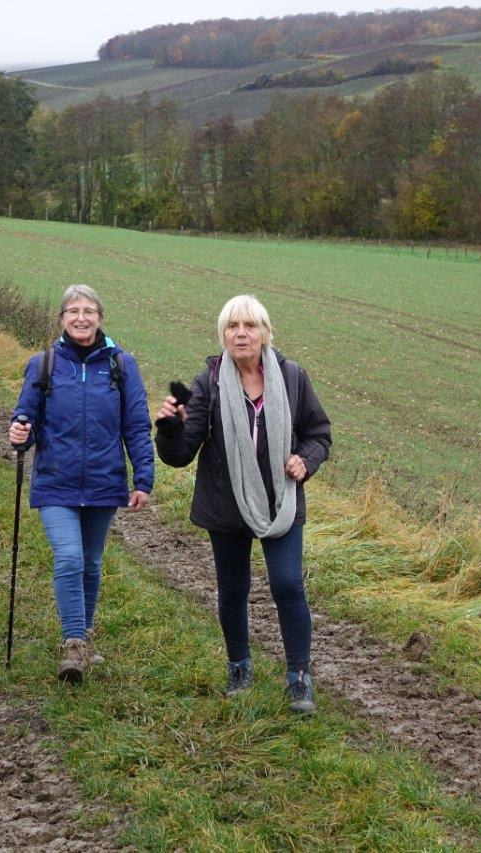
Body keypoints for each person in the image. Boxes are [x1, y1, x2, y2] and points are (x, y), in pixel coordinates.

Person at [155, 294, 331, 714]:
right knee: (233, 590)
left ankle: (299, 679)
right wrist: (168, 428)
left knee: (288, 584)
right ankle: (239, 666)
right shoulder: (209, 383)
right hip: (226, 505)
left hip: (280, 503)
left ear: (265, 332)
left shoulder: (291, 378)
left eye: (249, 326)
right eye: (232, 327)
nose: (241, 333)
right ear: (223, 335)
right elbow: (181, 454)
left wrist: (305, 460)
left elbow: (319, 434)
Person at [8, 285, 154, 683]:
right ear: (61, 319)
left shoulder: (123, 365)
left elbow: (137, 426)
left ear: (100, 318)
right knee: (70, 557)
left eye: (89, 311)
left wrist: (144, 477)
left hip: (105, 482)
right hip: (57, 482)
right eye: (73, 311)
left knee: (90, 562)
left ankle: (85, 640)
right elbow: (26, 418)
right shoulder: (44, 365)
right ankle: (73, 642)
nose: (81, 318)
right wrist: (20, 432)